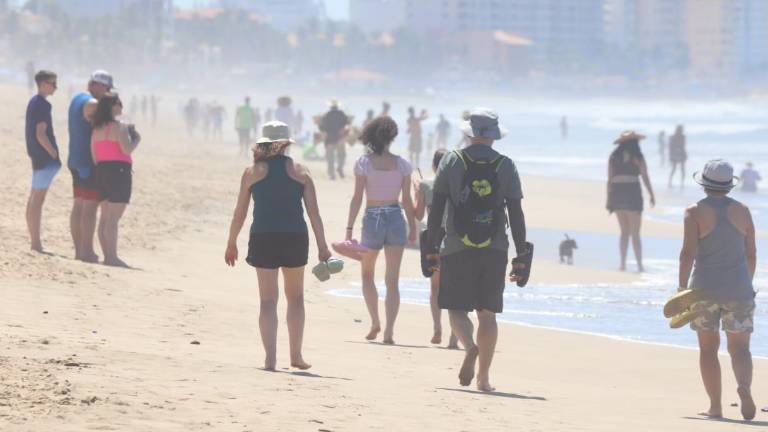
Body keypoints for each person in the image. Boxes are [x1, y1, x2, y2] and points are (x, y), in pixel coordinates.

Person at [425, 108, 528, 392]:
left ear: (470, 132)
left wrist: (431, 246)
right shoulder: (506, 165)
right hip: (494, 247)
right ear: (494, 135)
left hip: (456, 245)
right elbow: (516, 212)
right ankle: (483, 378)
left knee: (456, 308)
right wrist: (521, 255)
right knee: (487, 313)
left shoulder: (451, 160)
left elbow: (437, 208)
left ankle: (469, 346)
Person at [225, 121, 331, 371]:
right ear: (285, 143)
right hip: (295, 236)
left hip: (263, 237)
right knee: (295, 298)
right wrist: (323, 247)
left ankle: (270, 359)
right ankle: (296, 356)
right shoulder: (300, 171)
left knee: (268, 301)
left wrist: (231, 242)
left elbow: (239, 213)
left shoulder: (252, 172)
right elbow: (314, 213)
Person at [678, 159, 757, 421]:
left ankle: (715, 407)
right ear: (729, 184)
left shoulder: (694, 212)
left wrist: (681, 289)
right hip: (739, 289)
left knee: (708, 349)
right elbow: (751, 253)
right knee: (741, 349)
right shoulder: (743, 211)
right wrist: (746, 283)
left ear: (704, 184)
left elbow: (687, 253)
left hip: (704, 290)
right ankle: (744, 388)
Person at [346, 116, 417, 344]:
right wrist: (413, 227)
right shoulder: (402, 164)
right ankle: (389, 331)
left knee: (367, 274)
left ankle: (375, 321)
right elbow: (406, 200)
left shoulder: (364, 163)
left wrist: (349, 228)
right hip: (396, 217)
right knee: (392, 280)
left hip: (373, 218)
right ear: (392, 137)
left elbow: (357, 198)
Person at [414, 149, 458, 348]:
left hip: (433, 237)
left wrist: (418, 191)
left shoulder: (426, 184)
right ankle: (454, 336)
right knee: (455, 287)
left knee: (435, 287)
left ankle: (437, 328)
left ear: (433, 165)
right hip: (454, 237)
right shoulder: (457, 185)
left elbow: (418, 214)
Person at [68, 70, 114, 262]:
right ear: (97, 85)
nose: (108, 93)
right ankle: (86, 251)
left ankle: (80, 250)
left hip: (75, 158)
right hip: (88, 161)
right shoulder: (93, 103)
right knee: (89, 207)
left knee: (79, 204)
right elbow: (102, 126)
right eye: (107, 88)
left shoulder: (78, 97)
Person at [90, 93, 140, 267]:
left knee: (105, 217)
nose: (121, 107)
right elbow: (126, 150)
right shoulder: (120, 127)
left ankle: (107, 255)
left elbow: (94, 155)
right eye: (119, 103)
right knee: (113, 219)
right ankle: (112, 257)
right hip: (119, 171)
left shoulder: (96, 128)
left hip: (101, 170)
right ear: (112, 107)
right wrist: (137, 139)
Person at [606, 131, 655, 272]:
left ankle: (622, 264)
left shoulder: (613, 156)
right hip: (632, 192)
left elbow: (609, 179)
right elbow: (645, 176)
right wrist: (651, 194)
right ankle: (639, 265)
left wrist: (609, 199)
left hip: (617, 193)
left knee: (624, 232)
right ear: (634, 142)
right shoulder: (637, 156)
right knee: (635, 233)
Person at [25, 70, 61, 252]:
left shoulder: (34, 102)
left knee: (34, 198)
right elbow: (40, 133)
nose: (56, 87)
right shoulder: (42, 105)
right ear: (43, 83)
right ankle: (36, 243)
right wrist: (53, 152)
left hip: (37, 157)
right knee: (37, 200)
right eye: (53, 83)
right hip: (44, 158)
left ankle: (34, 242)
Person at [319, 100, 349, 180]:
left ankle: (332, 174)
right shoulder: (342, 114)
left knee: (330, 157)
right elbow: (347, 124)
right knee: (341, 155)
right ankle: (340, 167)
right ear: (337, 106)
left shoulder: (327, 115)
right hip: (340, 138)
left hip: (330, 138)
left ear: (330, 106)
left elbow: (322, 127)